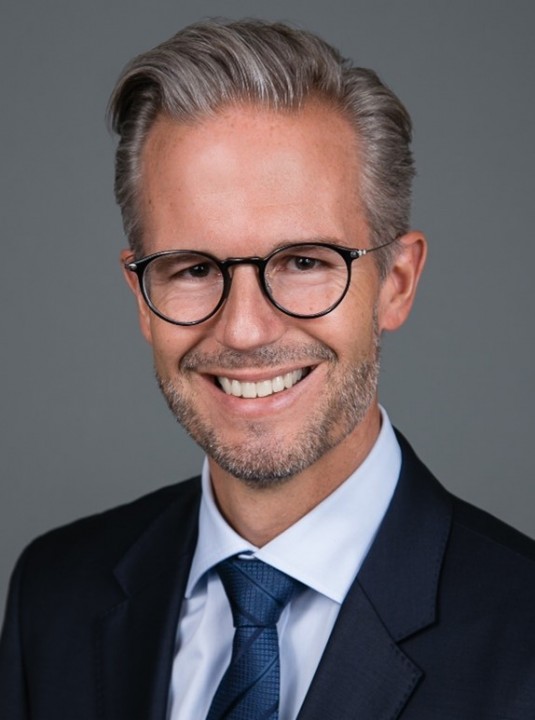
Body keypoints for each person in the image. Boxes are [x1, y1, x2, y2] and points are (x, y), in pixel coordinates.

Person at [1, 18, 534, 720]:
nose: (245, 330)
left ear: (396, 282)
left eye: (304, 262)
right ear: (140, 297)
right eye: (193, 269)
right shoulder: (55, 597)